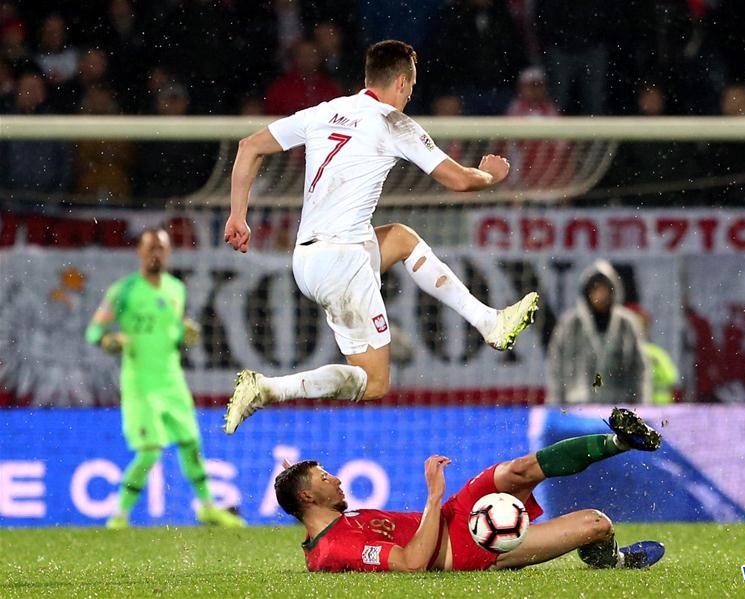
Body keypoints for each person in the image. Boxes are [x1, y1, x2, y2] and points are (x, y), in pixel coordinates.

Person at [223, 40, 538, 433]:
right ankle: (268, 389)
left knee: (402, 238)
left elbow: (249, 147)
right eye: (412, 86)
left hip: (305, 259)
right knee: (374, 384)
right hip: (342, 261)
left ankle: (489, 321)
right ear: (403, 83)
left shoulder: (326, 111)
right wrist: (491, 174)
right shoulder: (392, 121)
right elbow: (457, 180)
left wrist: (239, 216)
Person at [275, 407, 664, 572]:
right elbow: (411, 563)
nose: (337, 479)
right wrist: (432, 495)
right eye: (325, 479)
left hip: (457, 514)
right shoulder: (333, 547)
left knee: (520, 469)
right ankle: (611, 561)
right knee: (596, 523)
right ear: (307, 498)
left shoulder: (335, 520)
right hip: (468, 548)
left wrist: (293, 480)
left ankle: (622, 442)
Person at [85, 229, 245, 529]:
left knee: (190, 442)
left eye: (161, 248)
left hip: (172, 380)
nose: (155, 253)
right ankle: (119, 516)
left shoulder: (175, 289)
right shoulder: (124, 291)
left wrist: (186, 334)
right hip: (140, 384)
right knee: (149, 452)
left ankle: (208, 507)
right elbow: (93, 331)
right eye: (150, 248)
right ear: (140, 253)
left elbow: (171, 335)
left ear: (168, 253)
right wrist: (109, 340)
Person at [546, 260, 649, 405]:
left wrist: (641, 405)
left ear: (613, 291)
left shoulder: (626, 324)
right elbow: (556, 368)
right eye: (595, 290)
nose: (600, 295)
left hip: (618, 406)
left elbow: (639, 369)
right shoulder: (570, 324)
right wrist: (555, 405)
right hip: (577, 407)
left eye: (604, 290)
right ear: (586, 292)